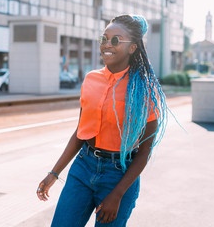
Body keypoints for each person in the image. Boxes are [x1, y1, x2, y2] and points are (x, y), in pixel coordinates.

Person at [37, 14, 168, 227]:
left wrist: (117, 195)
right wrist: (54, 173)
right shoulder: (91, 79)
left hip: (119, 174)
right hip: (83, 166)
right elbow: (81, 131)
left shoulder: (145, 90)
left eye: (116, 40)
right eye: (104, 39)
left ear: (133, 48)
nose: (108, 44)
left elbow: (144, 152)